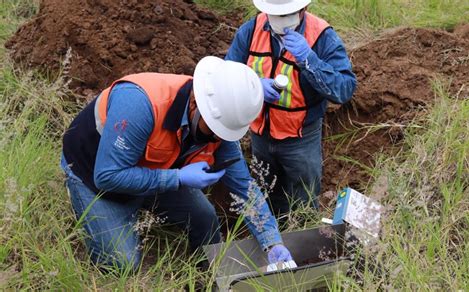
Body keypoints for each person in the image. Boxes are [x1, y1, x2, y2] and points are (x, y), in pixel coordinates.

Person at [61, 56, 293, 271]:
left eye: (224, 132)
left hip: (154, 170)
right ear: (195, 104)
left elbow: (244, 187)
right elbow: (108, 175)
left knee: (205, 218)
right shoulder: (141, 104)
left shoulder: (221, 125)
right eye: (214, 129)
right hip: (94, 176)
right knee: (123, 263)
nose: (217, 138)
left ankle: (208, 275)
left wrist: (272, 242)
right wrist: (177, 178)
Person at [225, 0, 357, 216]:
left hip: (301, 138)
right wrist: (254, 84)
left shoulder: (321, 37)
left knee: (302, 200)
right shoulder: (251, 30)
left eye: (286, 14)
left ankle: (301, 237)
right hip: (260, 134)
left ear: (302, 10)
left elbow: (344, 89)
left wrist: (309, 59)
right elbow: (228, 72)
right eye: (274, 14)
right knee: (266, 193)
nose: (280, 20)